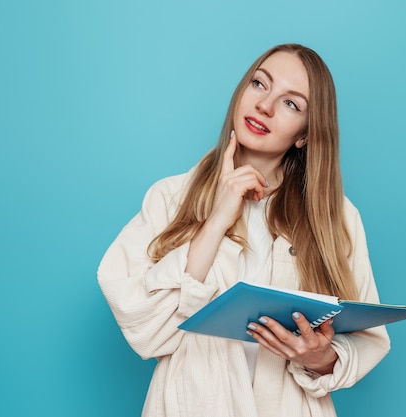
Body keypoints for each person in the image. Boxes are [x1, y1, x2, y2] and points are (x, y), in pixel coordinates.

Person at [98, 43, 390, 417]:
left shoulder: (338, 218)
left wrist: (320, 357)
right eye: (259, 84)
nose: (264, 106)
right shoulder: (168, 197)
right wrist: (217, 221)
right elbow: (146, 331)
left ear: (305, 134)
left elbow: (367, 341)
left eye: (291, 104)